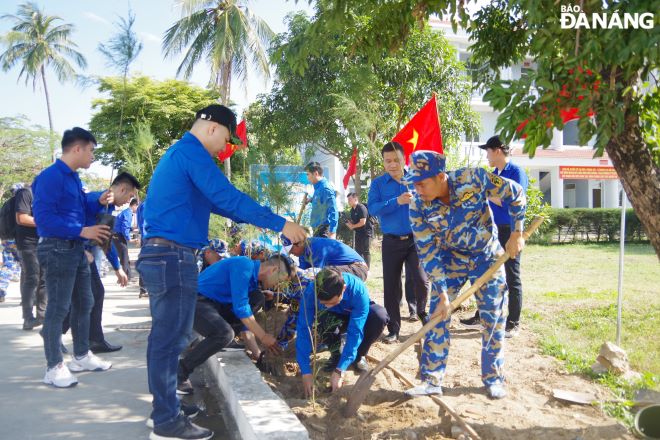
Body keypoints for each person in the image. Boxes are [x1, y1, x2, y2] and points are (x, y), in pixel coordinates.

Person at [137, 104, 306, 440]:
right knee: (168, 342)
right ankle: (166, 421)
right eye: (226, 140)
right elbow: (228, 198)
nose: (223, 149)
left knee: (171, 339)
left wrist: (262, 217)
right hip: (171, 257)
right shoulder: (192, 153)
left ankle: (167, 405)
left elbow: (227, 205)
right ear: (212, 127)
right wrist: (281, 223)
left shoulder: (183, 156)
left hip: (171, 256)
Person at [402, 150, 526, 399]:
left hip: (487, 257)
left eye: (421, 182)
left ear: (440, 177)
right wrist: (441, 291)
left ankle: (493, 378)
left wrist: (516, 233)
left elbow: (516, 195)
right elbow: (428, 252)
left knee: (493, 315)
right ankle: (432, 380)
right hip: (451, 259)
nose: (417, 189)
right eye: (413, 183)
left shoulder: (475, 178)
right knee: (438, 314)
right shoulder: (418, 206)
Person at [32, 127, 115, 388]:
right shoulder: (50, 177)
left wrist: (98, 199)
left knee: (84, 301)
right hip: (57, 248)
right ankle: (54, 366)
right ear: (77, 148)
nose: (93, 156)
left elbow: (79, 206)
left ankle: (80, 355)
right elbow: (44, 220)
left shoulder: (73, 179)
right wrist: (82, 230)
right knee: (58, 307)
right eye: (91, 151)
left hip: (76, 249)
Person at [177, 255, 293, 395]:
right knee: (224, 334)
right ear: (274, 269)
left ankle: (219, 342)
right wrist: (263, 336)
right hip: (195, 302)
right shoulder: (244, 266)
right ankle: (179, 373)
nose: (277, 285)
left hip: (214, 304)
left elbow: (245, 322)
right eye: (280, 280)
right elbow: (241, 309)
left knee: (257, 297)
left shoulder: (252, 282)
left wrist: (258, 355)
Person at [460, 136, 529, 338]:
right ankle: (481, 316)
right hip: (492, 230)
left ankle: (513, 323)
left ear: (497, 150)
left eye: (488, 151)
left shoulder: (515, 172)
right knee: (486, 273)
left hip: (511, 230)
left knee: (511, 275)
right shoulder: (495, 174)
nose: (486, 156)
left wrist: (487, 194)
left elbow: (513, 201)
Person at [367, 142, 430, 343]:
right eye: (388, 161)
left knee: (421, 280)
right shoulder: (378, 184)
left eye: (396, 160)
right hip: (391, 242)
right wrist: (397, 201)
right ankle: (393, 328)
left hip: (415, 241)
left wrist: (418, 198)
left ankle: (421, 311)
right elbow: (373, 209)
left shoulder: (416, 179)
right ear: (384, 162)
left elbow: (431, 202)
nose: (393, 164)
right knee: (391, 286)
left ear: (405, 159)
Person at [297, 269, 389, 397]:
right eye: (324, 303)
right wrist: (306, 372)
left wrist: (340, 370)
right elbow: (303, 329)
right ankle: (336, 355)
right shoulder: (310, 291)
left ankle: (358, 356)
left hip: (355, 315)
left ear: (344, 289)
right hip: (333, 318)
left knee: (379, 316)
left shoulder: (358, 290)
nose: (329, 305)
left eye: (332, 302)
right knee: (323, 317)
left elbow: (355, 331)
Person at [13, 184, 47, 329]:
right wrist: (46, 222)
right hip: (27, 243)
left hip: (45, 241)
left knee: (45, 279)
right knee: (32, 278)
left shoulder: (46, 195)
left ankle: (42, 315)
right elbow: (21, 218)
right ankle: (28, 318)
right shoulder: (26, 193)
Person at [287, 236, 368, 281]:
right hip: (342, 269)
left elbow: (316, 275)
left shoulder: (315, 246)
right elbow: (301, 274)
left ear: (299, 243)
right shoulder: (302, 253)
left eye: (291, 250)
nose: (291, 253)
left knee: (321, 277)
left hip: (357, 269)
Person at [305, 161, 338, 239]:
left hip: (323, 230)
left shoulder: (326, 188)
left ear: (316, 173)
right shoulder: (318, 187)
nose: (307, 177)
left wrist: (332, 231)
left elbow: (333, 210)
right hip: (316, 228)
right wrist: (310, 200)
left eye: (308, 174)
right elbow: (321, 201)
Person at [112, 198, 139, 280]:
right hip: (118, 236)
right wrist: (129, 239)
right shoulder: (128, 213)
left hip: (116, 235)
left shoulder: (126, 212)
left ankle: (128, 276)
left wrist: (132, 228)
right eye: (138, 207)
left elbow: (123, 225)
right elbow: (124, 227)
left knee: (124, 256)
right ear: (134, 205)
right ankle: (127, 277)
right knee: (124, 257)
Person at [345, 192, 373, 268]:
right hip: (358, 233)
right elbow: (356, 222)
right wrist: (350, 223)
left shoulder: (361, 207)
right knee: (358, 251)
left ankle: (367, 269)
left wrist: (353, 226)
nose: (348, 201)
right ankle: (360, 268)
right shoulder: (352, 210)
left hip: (366, 233)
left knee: (365, 251)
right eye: (348, 200)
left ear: (355, 199)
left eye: (350, 199)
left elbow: (362, 222)